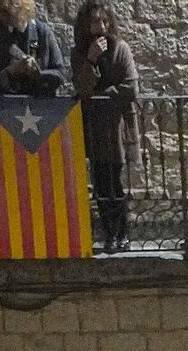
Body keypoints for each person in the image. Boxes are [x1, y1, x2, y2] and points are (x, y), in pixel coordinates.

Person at [70, 0, 138, 253]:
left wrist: (106, 93)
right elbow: (83, 89)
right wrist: (91, 60)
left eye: (103, 21)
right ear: (86, 25)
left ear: (109, 22)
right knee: (100, 183)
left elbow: (131, 87)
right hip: (93, 126)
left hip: (115, 127)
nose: (99, 27)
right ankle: (110, 233)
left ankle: (123, 234)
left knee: (114, 182)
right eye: (94, 22)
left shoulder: (121, 49)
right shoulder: (79, 53)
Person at [0, 0, 66, 94]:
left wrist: (37, 73)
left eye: (6, 12)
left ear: (22, 9)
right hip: (8, 104)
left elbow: (60, 74)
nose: (1, 18)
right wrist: (9, 71)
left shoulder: (42, 32)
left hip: (41, 103)